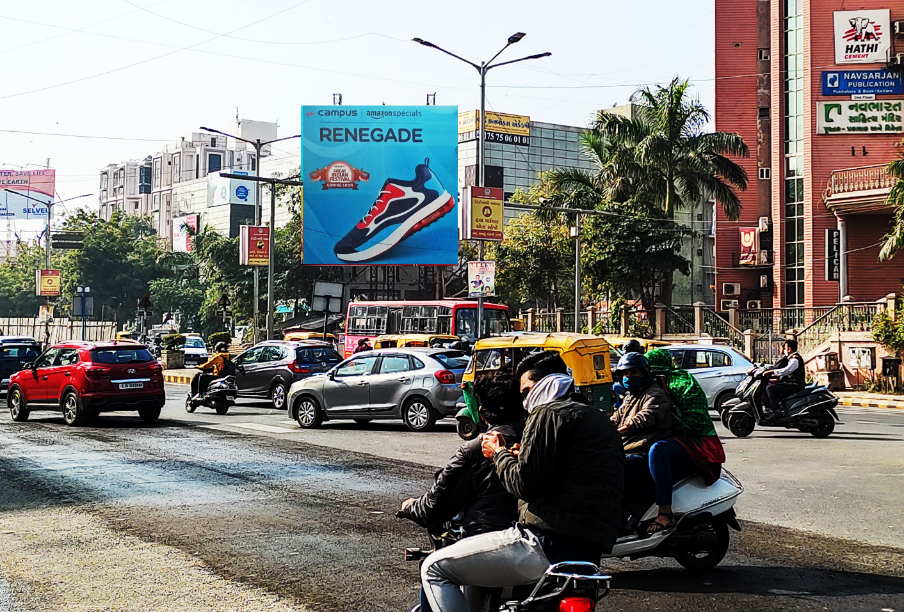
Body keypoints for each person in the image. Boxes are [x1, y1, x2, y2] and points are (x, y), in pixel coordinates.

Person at [419, 351, 624, 612]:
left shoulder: (547, 413)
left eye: (526, 391)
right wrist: (520, 454)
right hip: (589, 553)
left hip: (543, 544)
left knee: (434, 568)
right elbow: (575, 470)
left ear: (543, 384)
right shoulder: (599, 420)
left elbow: (525, 486)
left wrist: (499, 454)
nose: (526, 400)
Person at [399, 371, 524, 612]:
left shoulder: (476, 450)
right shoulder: (537, 440)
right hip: (545, 547)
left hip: (493, 543)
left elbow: (433, 508)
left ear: (482, 410)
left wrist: (409, 507)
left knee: (433, 569)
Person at [641, 349, 726, 533]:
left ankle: (665, 512)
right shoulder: (641, 387)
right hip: (668, 437)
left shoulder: (682, 384)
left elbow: (694, 421)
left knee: (658, 450)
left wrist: (670, 407)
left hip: (697, 442)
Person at [609, 352, 674, 531]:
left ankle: (620, 523)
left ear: (643, 374)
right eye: (625, 374)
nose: (628, 377)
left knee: (609, 468)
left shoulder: (654, 394)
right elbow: (615, 419)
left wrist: (617, 432)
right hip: (628, 449)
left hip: (642, 452)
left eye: (633, 373)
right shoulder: (630, 397)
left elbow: (643, 419)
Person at [765, 339, 805, 415]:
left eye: (785, 348)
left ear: (789, 349)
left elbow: (787, 371)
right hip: (791, 383)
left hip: (795, 385)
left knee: (770, 388)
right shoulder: (791, 358)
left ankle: (775, 411)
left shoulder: (795, 359)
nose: (784, 350)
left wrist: (772, 371)